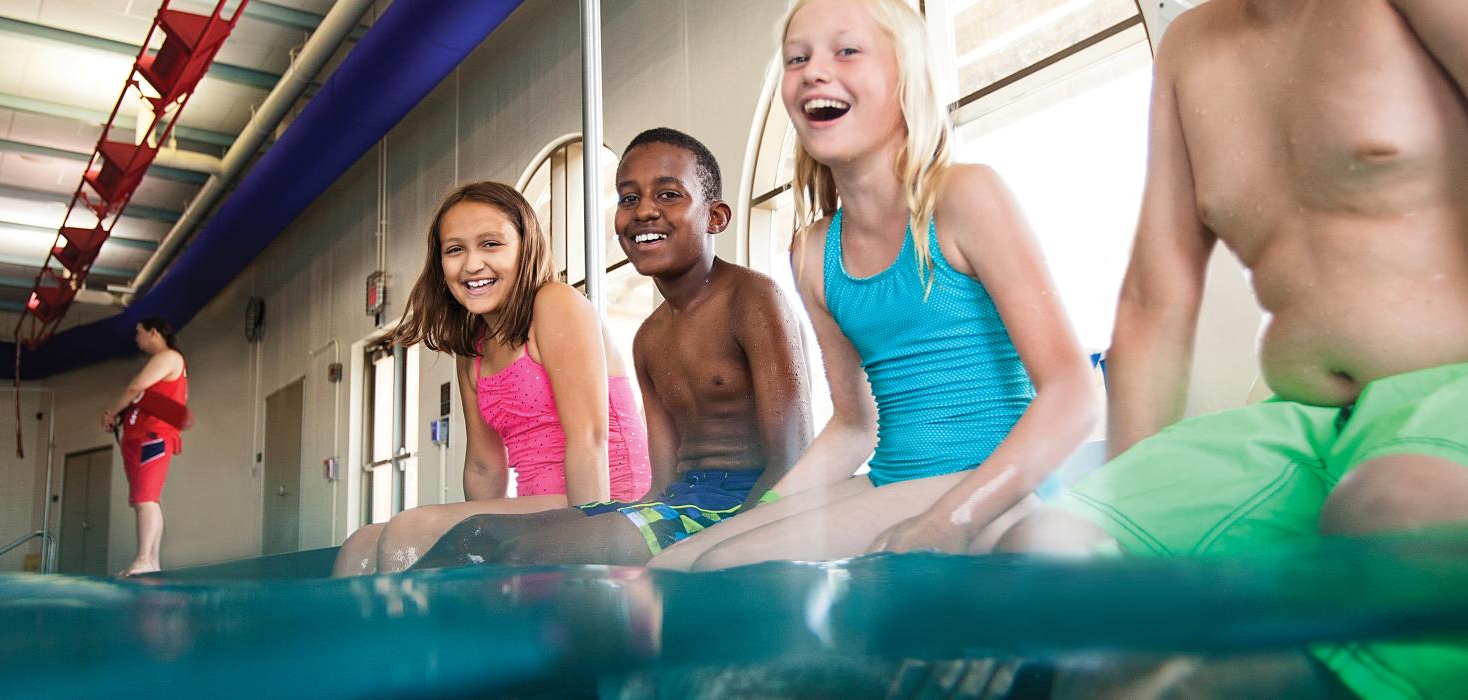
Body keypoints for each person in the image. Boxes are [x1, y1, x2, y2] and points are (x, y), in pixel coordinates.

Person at [998, 0, 1468, 696]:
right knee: (1046, 554)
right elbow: (1156, 302)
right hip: (1319, 424)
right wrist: (1131, 511)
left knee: (1396, 513)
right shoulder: (1190, 48)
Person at [647, 0, 1101, 571]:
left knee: (721, 570)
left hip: (994, 483)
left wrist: (951, 519)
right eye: (797, 58)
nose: (814, 70)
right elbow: (854, 425)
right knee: (674, 565)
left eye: (847, 51)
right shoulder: (813, 253)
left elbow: (1072, 394)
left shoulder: (964, 198)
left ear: (904, 78)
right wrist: (765, 509)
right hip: (892, 481)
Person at [409, 127, 813, 568]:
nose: (644, 212)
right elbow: (660, 484)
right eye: (628, 199)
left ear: (715, 217)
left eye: (669, 196)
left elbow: (794, 453)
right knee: (477, 534)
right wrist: (606, 521)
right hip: (676, 503)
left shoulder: (753, 297)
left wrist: (745, 542)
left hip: (739, 506)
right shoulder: (649, 337)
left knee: (529, 554)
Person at [330, 181, 652, 576]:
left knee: (408, 530)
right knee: (360, 543)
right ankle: (370, 639)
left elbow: (589, 437)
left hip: (605, 502)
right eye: (454, 250)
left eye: (491, 244)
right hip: (541, 506)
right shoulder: (473, 350)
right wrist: (470, 540)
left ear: (525, 247)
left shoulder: (555, 303)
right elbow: (484, 467)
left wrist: (589, 556)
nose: (471, 265)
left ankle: (420, 638)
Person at [101, 317, 188, 577]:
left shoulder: (169, 357)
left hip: (151, 437)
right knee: (146, 500)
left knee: (145, 500)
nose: (136, 338)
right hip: (146, 435)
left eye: (139, 333)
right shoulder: (169, 364)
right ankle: (150, 560)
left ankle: (145, 560)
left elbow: (136, 386)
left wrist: (111, 413)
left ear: (154, 333)